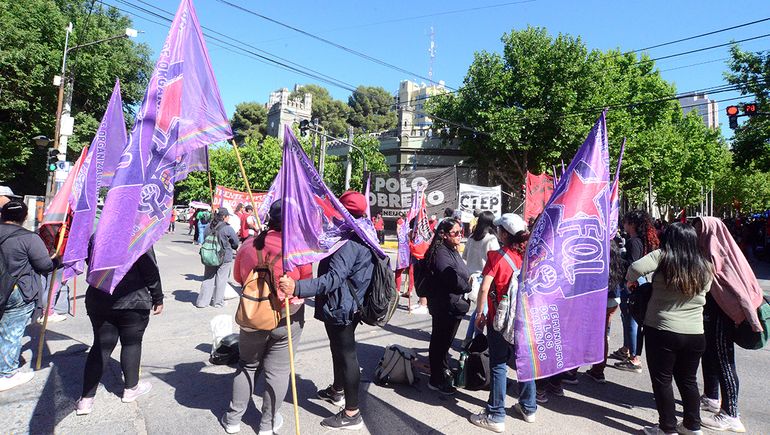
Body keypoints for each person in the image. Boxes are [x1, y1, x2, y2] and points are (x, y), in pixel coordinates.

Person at [278, 191, 373, 431]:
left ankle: (352, 413)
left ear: (344, 212)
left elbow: (333, 279)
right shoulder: (360, 232)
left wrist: (297, 287)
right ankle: (337, 390)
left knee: (347, 355)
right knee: (338, 349)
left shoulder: (348, 242)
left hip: (343, 306)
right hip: (346, 304)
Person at [221, 201, 312, 435]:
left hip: (253, 313)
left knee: (247, 365)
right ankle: (267, 424)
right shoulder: (298, 248)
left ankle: (233, 419)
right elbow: (305, 284)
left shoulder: (249, 244)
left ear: (269, 218)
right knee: (278, 371)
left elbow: (239, 278)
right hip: (287, 315)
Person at [627, 223, 713, 435]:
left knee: (662, 380)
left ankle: (667, 428)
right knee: (689, 380)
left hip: (661, 329)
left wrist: (633, 282)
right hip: (695, 333)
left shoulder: (663, 256)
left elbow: (634, 268)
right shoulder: (705, 264)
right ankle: (692, 426)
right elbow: (708, 288)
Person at [695, 217, 764, 433]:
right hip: (715, 317)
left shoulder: (719, 255)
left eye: (699, 230)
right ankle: (712, 397)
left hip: (723, 318)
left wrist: (752, 320)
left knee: (724, 361)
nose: (696, 234)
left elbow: (740, 292)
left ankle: (731, 414)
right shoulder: (720, 251)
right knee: (711, 357)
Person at [469, 213, 537, 431]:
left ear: (505, 234)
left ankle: (496, 415)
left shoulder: (497, 257)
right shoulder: (530, 256)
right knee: (525, 362)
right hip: (524, 318)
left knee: (498, 363)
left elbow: (484, 288)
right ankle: (528, 407)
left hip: (498, 319)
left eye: (499, 230)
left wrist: (479, 314)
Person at [75, 248, 164, 414]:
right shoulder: (139, 237)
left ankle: (85, 400)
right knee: (131, 343)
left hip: (100, 298)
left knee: (101, 346)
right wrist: (158, 297)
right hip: (133, 299)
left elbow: (90, 262)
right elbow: (150, 269)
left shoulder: (96, 237)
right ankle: (131, 389)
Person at [0, 201, 55, 391]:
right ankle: (6, 373)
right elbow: (44, 265)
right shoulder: (29, 238)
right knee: (11, 331)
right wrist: (56, 260)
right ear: (25, 217)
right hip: (16, 290)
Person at [425, 218, 470, 395]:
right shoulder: (441, 252)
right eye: (455, 233)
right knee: (440, 342)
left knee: (445, 342)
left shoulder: (452, 249)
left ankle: (442, 371)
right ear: (443, 235)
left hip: (453, 305)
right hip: (443, 305)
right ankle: (435, 379)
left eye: (461, 232)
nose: (459, 235)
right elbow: (451, 278)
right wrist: (468, 285)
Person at [613, 210, 659, 373]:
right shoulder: (639, 240)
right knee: (627, 318)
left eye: (626, 222)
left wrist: (619, 259)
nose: (623, 225)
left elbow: (633, 264)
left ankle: (634, 358)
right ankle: (627, 348)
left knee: (631, 320)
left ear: (632, 224)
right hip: (638, 281)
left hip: (632, 283)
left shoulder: (634, 242)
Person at [585, 237, 627, 384]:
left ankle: (573, 372)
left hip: (601, 299)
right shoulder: (616, 256)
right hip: (613, 299)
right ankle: (598, 370)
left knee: (587, 334)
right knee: (603, 334)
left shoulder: (597, 255)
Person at [461, 211, 500, 345]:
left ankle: (470, 340)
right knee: (480, 312)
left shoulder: (472, 237)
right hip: (483, 279)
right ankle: (472, 342)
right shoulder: (491, 239)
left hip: (470, 278)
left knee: (479, 310)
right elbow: (496, 260)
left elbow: (464, 256)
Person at [196, 208, 239, 309]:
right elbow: (235, 243)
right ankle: (218, 302)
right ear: (224, 217)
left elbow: (205, 238)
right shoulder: (228, 228)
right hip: (224, 257)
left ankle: (202, 302)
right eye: (227, 216)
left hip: (210, 255)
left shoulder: (208, 226)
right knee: (221, 279)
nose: (228, 218)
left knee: (208, 278)